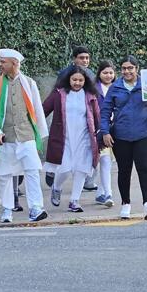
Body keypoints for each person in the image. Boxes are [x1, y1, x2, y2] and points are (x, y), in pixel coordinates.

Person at [0, 48, 49, 224]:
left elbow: (37, 108)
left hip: (26, 136)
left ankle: (36, 208)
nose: (0, 65)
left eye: (3, 62)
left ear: (14, 63)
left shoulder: (29, 83)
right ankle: (7, 209)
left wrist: (39, 134)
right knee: (5, 173)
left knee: (32, 171)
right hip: (5, 137)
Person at [99, 55, 147, 220]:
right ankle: (125, 204)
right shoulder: (115, 87)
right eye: (124, 68)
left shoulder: (146, 85)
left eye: (130, 68)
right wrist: (105, 132)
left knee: (144, 168)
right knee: (124, 170)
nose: (127, 71)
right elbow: (105, 111)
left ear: (137, 69)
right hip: (121, 136)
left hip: (144, 134)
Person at [43, 65, 101, 213]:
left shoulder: (90, 95)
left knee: (82, 169)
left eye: (80, 80)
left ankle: (74, 201)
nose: (77, 83)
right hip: (64, 138)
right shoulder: (59, 94)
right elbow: (43, 110)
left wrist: (101, 133)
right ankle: (56, 187)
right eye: (74, 80)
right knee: (64, 169)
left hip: (85, 138)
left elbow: (97, 116)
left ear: (85, 81)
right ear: (68, 79)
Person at [51, 46, 98, 194]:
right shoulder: (64, 75)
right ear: (74, 59)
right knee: (64, 165)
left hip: (84, 129)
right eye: (81, 58)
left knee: (84, 163)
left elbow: (95, 107)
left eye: (87, 58)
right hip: (66, 128)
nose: (85, 61)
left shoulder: (91, 76)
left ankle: (79, 194)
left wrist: (100, 128)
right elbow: (53, 100)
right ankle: (55, 181)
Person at [93, 60, 117, 207]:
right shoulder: (94, 89)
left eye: (111, 73)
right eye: (105, 73)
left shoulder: (119, 87)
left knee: (109, 161)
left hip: (117, 128)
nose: (108, 75)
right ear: (99, 73)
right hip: (100, 129)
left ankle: (100, 193)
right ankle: (108, 193)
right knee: (105, 160)